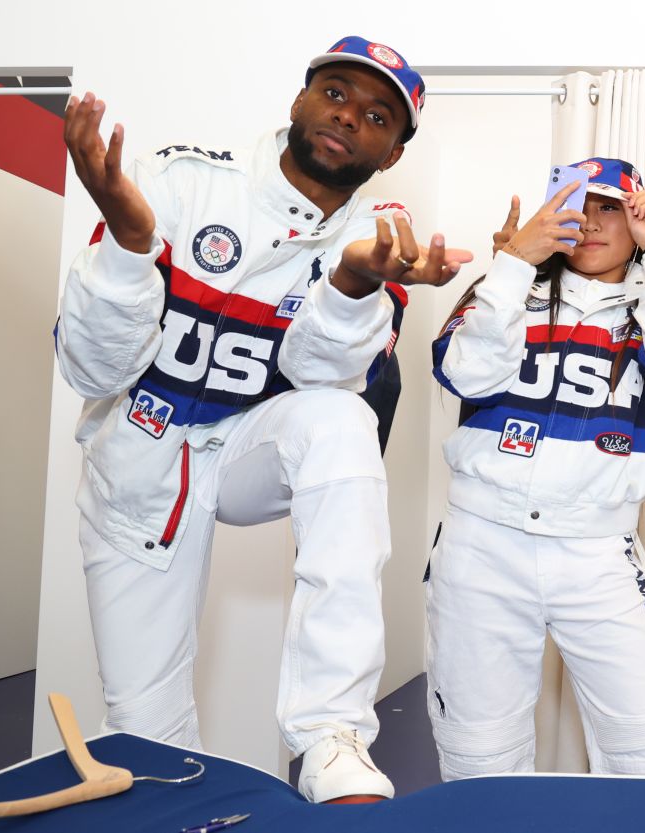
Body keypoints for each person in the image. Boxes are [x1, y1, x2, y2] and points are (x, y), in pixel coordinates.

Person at [54, 36, 471, 803]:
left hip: (251, 449)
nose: (349, 117)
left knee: (341, 424)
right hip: (141, 471)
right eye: (337, 94)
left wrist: (351, 283)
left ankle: (329, 734)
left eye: (378, 116)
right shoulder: (181, 183)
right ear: (300, 100)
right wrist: (129, 241)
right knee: (148, 736)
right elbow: (90, 370)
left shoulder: (378, 237)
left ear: (390, 153)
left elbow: (319, 382)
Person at [427, 158, 645, 779]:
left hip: (598, 553)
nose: (590, 222)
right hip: (483, 544)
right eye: (575, 207)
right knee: (480, 750)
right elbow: (464, 373)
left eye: (609, 208)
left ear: (636, 218)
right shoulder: (502, 288)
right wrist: (512, 265)